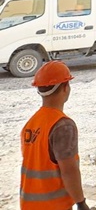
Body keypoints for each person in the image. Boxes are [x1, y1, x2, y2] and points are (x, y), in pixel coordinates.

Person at [20, 61, 89, 210]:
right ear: (65, 87)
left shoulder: (31, 123)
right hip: (54, 206)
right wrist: (81, 202)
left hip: (29, 205)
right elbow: (69, 170)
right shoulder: (63, 126)